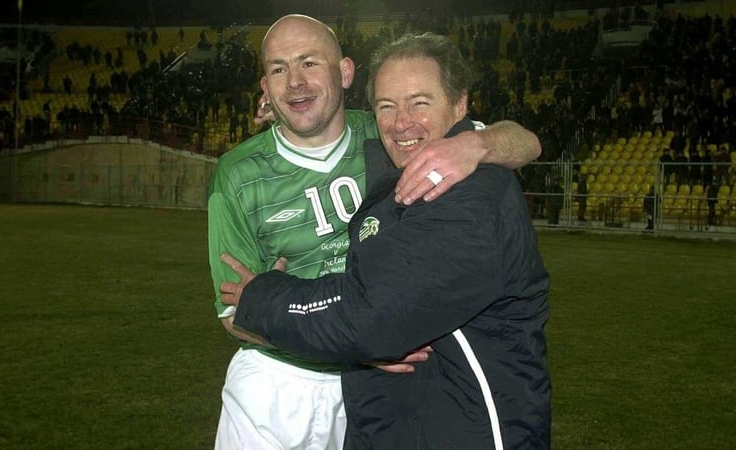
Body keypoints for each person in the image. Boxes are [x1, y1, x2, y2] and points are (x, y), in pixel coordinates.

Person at [208, 15, 542, 450]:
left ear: (344, 72)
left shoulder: (384, 132)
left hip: (370, 381)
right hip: (281, 382)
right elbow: (234, 311)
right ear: (265, 87)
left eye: (309, 63)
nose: (295, 82)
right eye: (278, 70)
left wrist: (477, 143)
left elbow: (527, 142)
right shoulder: (237, 173)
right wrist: (356, 345)